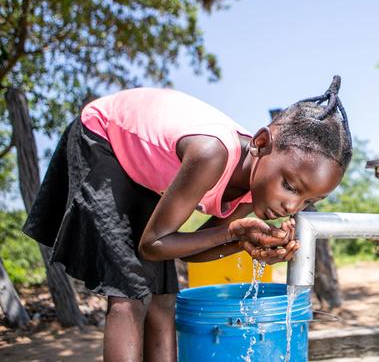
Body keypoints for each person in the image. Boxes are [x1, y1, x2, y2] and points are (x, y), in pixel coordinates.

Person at [23, 77, 352, 361]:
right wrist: (231, 234)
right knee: (128, 295)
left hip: (146, 168)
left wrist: (243, 241)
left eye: (309, 200)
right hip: (105, 137)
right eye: (291, 186)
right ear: (261, 144)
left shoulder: (256, 190)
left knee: (164, 300)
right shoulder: (211, 153)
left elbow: (184, 250)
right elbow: (154, 245)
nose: (292, 205)